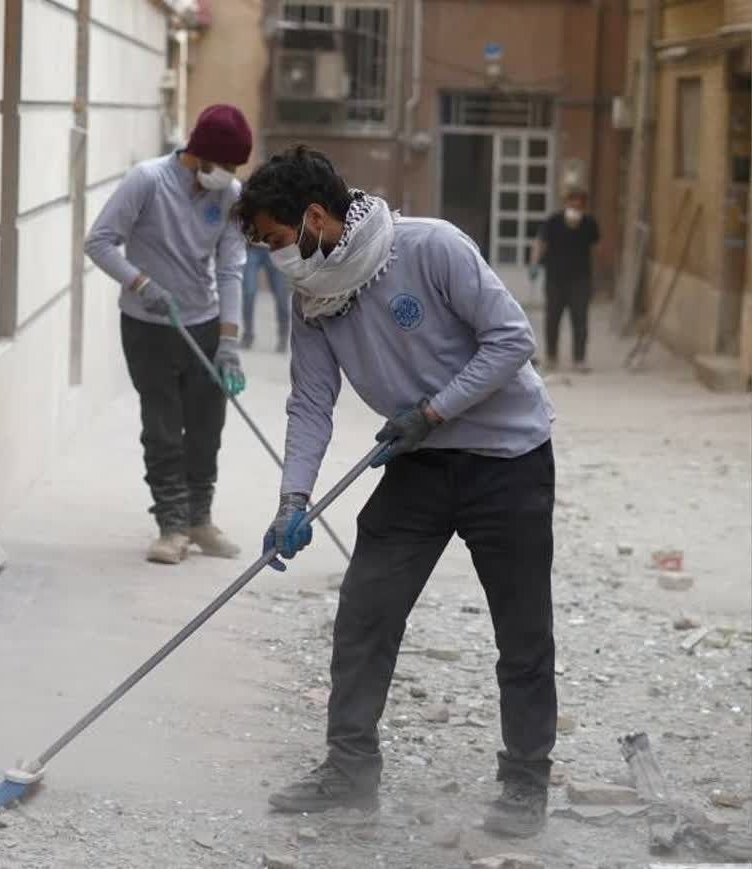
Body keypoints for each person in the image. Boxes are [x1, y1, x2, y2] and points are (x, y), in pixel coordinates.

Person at [233, 146, 557, 838]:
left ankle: (526, 780)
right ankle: (349, 769)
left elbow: (511, 341)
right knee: (365, 612)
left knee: (522, 629)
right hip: (419, 462)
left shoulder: (430, 248)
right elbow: (310, 403)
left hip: (508, 458)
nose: (273, 256)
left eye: (275, 237)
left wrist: (434, 411)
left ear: (314, 217)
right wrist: (293, 499)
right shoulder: (314, 299)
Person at [85, 105, 252, 565]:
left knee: (206, 427)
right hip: (148, 327)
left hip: (204, 323)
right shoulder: (147, 180)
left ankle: (199, 519)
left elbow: (232, 269)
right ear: (200, 154)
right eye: (226, 164)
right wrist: (141, 284)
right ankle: (172, 525)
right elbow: (99, 242)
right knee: (163, 428)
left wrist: (230, 342)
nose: (231, 174)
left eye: (236, 167)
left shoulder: (229, 194)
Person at [530, 187, 600, 373]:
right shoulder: (552, 222)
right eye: (572, 201)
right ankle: (551, 357)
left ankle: (579, 359)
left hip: (580, 279)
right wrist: (534, 263)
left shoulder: (589, 224)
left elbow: (595, 249)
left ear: (583, 205)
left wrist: (595, 277)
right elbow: (540, 243)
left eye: (579, 203)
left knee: (580, 319)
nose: (575, 205)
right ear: (566, 203)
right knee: (552, 319)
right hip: (555, 279)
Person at [242, 243, 290, 353]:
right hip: (252, 247)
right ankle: (248, 335)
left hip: (277, 247)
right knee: (248, 292)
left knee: (282, 296)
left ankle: (283, 337)